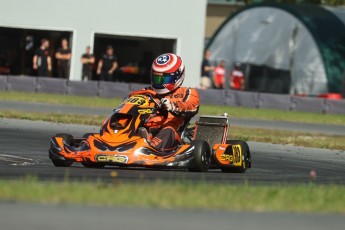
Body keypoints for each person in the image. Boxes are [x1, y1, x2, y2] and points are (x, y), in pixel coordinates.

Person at [130, 53, 199, 151]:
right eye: (157, 78)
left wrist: (172, 106)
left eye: (165, 79)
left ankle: (149, 148)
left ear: (177, 75)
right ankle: (115, 138)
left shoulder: (187, 92)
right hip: (146, 128)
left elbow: (191, 106)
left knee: (168, 131)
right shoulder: (147, 92)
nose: (160, 82)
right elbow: (130, 101)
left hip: (172, 133)